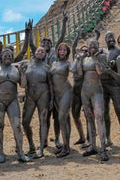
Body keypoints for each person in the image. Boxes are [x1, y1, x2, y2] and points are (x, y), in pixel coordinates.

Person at [29, 12, 68, 149]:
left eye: (48, 42)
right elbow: (31, 44)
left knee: (57, 116)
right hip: (44, 89)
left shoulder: (54, 54)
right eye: (43, 42)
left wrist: (63, 23)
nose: (45, 44)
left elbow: (62, 37)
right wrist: (29, 32)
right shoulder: (39, 56)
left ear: (52, 45)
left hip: (56, 87)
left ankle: (57, 138)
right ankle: (44, 140)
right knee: (44, 116)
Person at [0, 48, 30, 163]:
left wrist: (23, 73)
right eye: (5, 56)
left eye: (10, 56)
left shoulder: (15, 69)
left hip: (12, 100)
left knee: (17, 126)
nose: (7, 57)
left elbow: (23, 85)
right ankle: (1, 153)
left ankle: (20, 152)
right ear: (1, 57)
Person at [77, 38, 109, 161]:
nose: (93, 47)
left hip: (96, 90)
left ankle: (103, 148)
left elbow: (100, 72)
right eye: (90, 45)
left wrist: (95, 59)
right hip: (85, 91)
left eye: (95, 45)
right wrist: (80, 60)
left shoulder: (102, 57)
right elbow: (80, 73)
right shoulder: (85, 59)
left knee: (99, 117)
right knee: (89, 118)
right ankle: (93, 146)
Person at [20, 46, 53, 159]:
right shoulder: (27, 64)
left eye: (43, 51)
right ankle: (31, 145)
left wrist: (52, 99)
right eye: (38, 50)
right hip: (30, 94)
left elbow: (50, 84)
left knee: (43, 121)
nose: (40, 52)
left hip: (43, 94)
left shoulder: (47, 67)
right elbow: (23, 85)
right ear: (34, 52)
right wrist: (23, 73)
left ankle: (41, 148)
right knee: (25, 121)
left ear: (45, 55)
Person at [100, 31, 120, 148]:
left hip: (115, 84)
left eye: (112, 37)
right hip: (103, 84)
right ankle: (108, 138)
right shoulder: (103, 51)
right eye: (108, 37)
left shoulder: (118, 50)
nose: (111, 39)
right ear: (105, 39)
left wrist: (114, 63)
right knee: (105, 111)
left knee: (118, 109)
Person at [50, 42, 74, 157]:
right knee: (65, 119)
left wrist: (79, 59)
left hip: (66, 92)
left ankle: (66, 148)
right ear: (57, 51)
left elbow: (75, 70)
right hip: (56, 95)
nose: (62, 51)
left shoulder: (68, 63)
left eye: (64, 50)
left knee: (61, 118)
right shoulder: (54, 63)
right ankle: (66, 145)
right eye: (60, 50)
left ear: (67, 52)